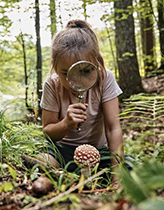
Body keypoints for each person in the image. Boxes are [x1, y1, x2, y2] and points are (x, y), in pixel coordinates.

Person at [39, 19, 125, 184]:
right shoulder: (52, 83)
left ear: (97, 62)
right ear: (54, 67)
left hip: (99, 151)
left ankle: (73, 179)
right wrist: (66, 124)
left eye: (85, 71)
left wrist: (118, 179)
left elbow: (113, 128)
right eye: (66, 73)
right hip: (62, 150)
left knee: (125, 168)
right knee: (44, 161)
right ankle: (58, 180)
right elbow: (48, 131)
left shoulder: (105, 78)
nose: (76, 82)